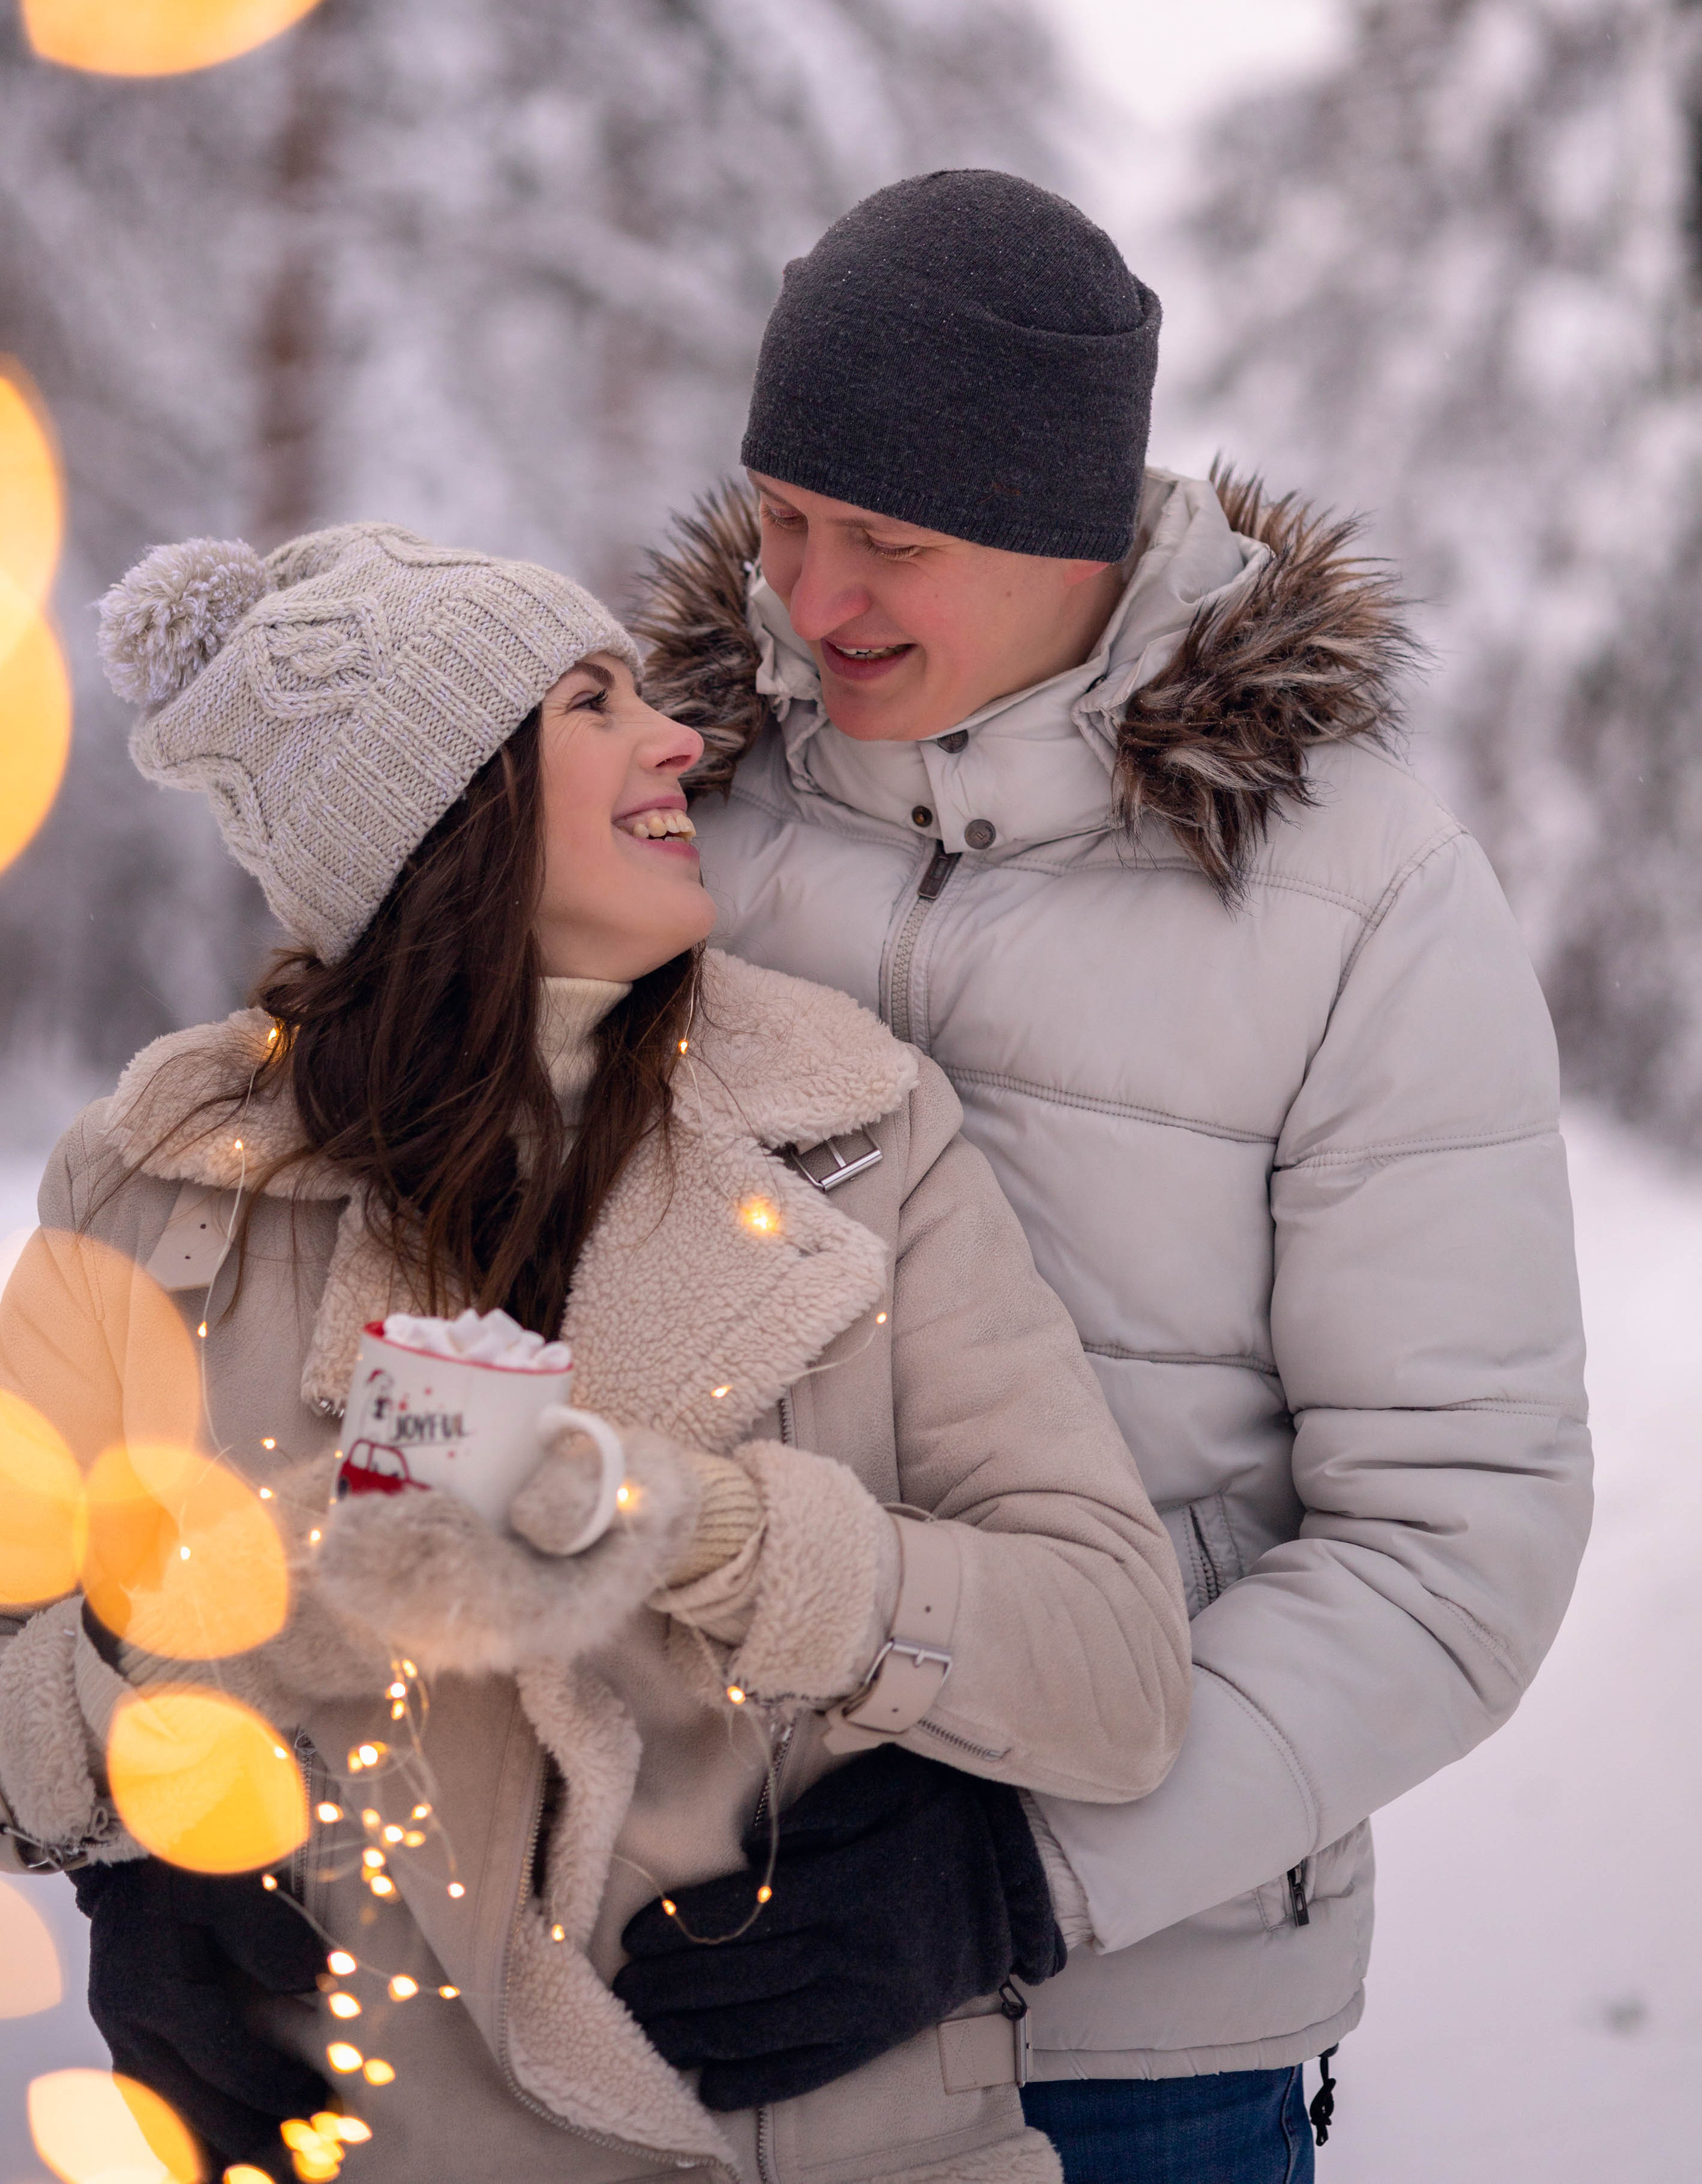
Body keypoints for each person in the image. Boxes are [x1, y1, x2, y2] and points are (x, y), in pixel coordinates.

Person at [0, 522, 1191, 2184]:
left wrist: (717, 1531)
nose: (680, 740)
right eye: (592, 700)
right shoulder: (155, 1183)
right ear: (444, 810)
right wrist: (140, 1837)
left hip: (811, 2143)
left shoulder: (856, 1136)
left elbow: (1118, 1668)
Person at [627, 170, 1595, 2183]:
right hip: (653, 1974)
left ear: (1074, 527)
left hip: (1128, 2041)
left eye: (890, 539)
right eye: (785, 515)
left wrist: (1019, 1867)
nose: (813, 601)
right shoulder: (659, 815)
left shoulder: (1359, 899)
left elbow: (1455, 1540)